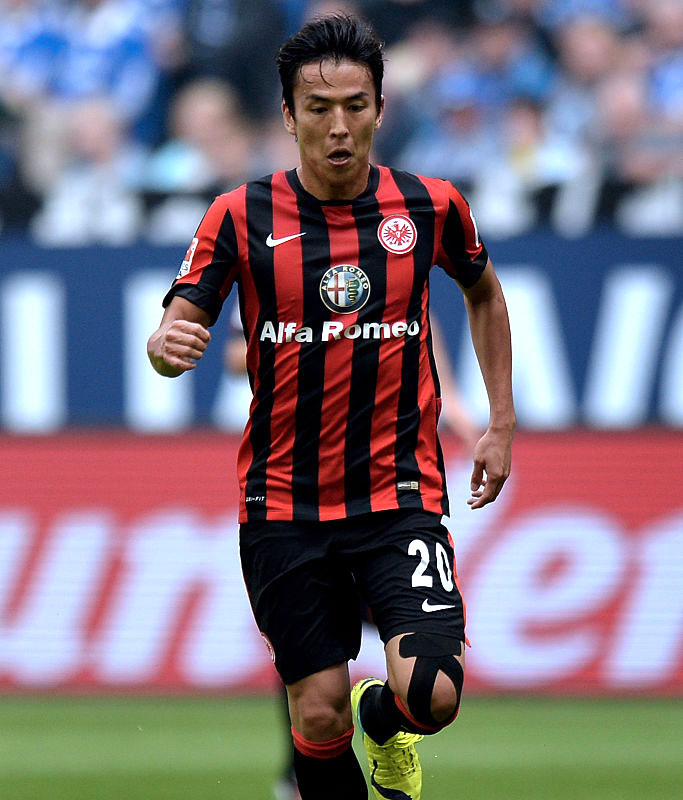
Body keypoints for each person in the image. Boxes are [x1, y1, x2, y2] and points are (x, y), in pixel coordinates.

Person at [147, 14, 515, 800]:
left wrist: (500, 421)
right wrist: (165, 347)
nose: (339, 126)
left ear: (381, 107)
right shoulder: (238, 215)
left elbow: (483, 293)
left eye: (355, 105)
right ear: (288, 116)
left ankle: (383, 721)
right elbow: (176, 328)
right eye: (318, 108)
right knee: (315, 715)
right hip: (283, 504)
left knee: (433, 695)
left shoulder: (429, 206)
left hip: (399, 494)